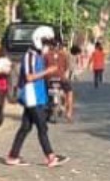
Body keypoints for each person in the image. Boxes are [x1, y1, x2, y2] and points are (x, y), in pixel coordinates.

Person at [5, 26, 67, 168]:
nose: (48, 47)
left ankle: (13, 156)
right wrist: (47, 71)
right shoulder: (30, 56)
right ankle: (51, 156)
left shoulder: (37, 55)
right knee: (42, 127)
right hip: (31, 96)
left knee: (25, 127)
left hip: (37, 96)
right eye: (46, 43)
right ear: (39, 41)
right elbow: (29, 76)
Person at [51, 39, 76, 122]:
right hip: (61, 78)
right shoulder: (64, 55)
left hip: (49, 79)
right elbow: (66, 68)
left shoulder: (46, 55)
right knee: (70, 93)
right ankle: (68, 113)